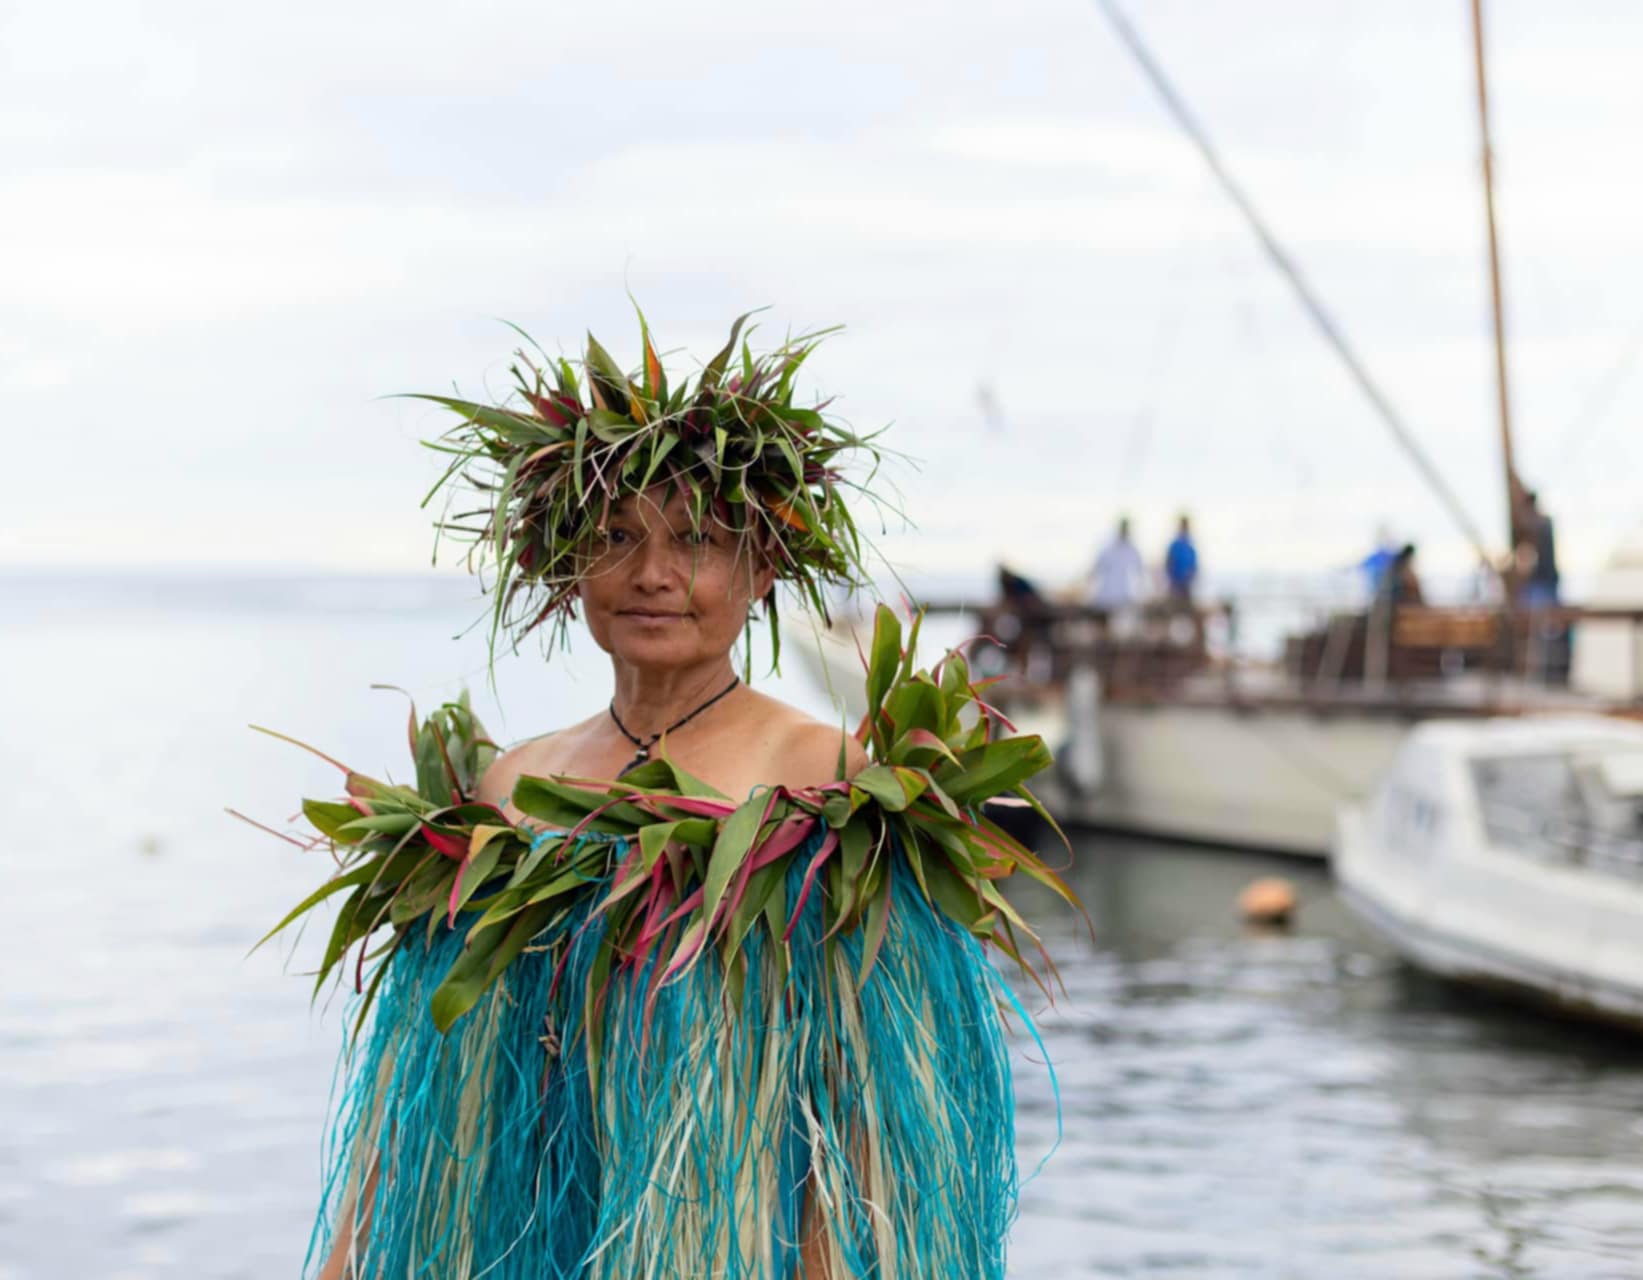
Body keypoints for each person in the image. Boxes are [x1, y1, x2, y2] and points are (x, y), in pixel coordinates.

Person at [297, 313, 1062, 1280]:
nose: (652, 575)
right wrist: (345, 1255)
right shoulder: (513, 783)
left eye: (696, 540)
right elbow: (426, 1087)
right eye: (615, 538)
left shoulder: (826, 777)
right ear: (565, 567)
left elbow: (866, 1108)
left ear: (763, 567)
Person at [1088, 515, 1145, 611]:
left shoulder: (1131, 548)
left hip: (1123, 596)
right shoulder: (1107, 547)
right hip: (1105, 597)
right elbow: (1095, 570)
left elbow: (1140, 572)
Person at [1163, 513, 1199, 603]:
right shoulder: (1175, 544)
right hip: (1175, 582)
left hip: (1187, 583)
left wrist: (1190, 576)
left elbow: (1193, 565)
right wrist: (1171, 577)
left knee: (1186, 606)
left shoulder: (1190, 545)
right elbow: (1168, 562)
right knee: (1173, 605)